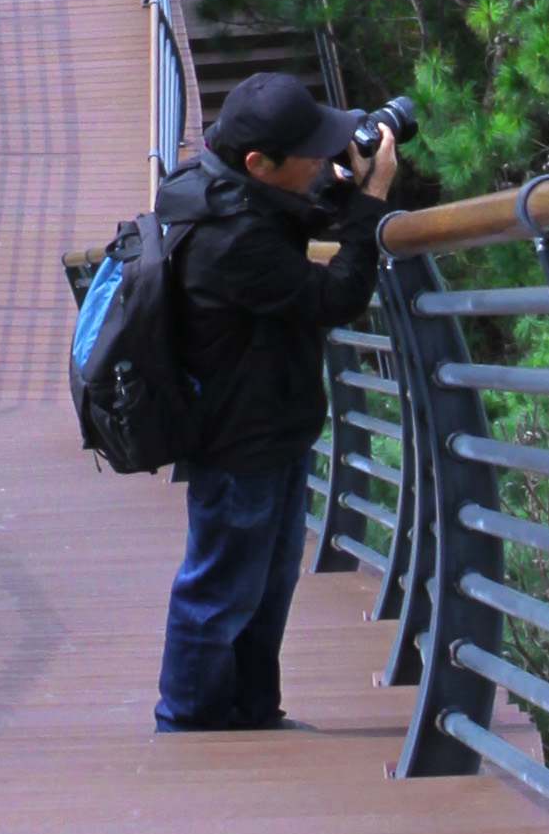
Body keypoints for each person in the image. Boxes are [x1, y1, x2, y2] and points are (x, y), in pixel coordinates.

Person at [153, 68, 398, 735]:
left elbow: (296, 212)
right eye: (312, 153)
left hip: (267, 425)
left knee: (264, 587)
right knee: (220, 588)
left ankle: (252, 710)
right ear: (260, 162)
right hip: (241, 438)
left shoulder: (226, 192)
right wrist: (373, 195)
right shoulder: (231, 236)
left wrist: (342, 190)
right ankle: (189, 721)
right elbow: (333, 299)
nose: (323, 159)